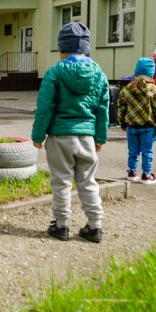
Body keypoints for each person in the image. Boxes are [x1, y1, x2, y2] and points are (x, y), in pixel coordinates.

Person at [31, 22, 109, 243]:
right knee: (88, 181)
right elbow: (103, 109)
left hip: (59, 136)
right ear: (86, 49)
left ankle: (62, 225)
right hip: (87, 137)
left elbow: (45, 106)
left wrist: (38, 136)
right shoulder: (100, 75)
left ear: (61, 50)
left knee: (61, 181)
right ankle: (95, 226)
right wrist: (100, 137)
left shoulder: (55, 72)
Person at [117, 58, 156, 185]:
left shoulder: (126, 89)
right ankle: (146, 175)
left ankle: (131, 173)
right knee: (147, 151)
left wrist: (122, 123)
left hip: (131, 127)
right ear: (151, 73)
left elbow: (121, 108)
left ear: (136, 72)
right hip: (148, 127)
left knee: (133, 151)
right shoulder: (155, 90)